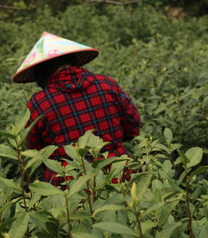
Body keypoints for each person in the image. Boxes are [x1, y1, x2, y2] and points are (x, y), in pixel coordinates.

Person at [12, 32, 141, 188]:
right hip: (117, 173)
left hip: (68, 184)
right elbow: (133, 126)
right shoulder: (107, 84)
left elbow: (36, 151)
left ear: (41, 72)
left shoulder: (39, 102)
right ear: (73, 60)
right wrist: (110, 144)